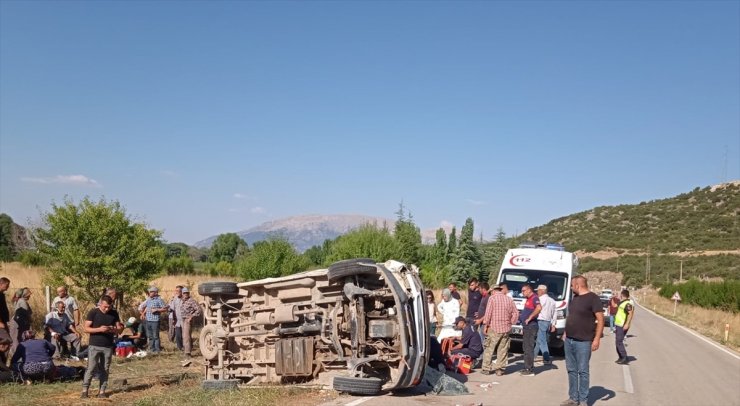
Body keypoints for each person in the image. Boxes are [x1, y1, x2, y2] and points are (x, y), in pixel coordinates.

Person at [561, 275, 605, 406]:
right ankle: (573, 398)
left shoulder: (593, 298)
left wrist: (597, 338)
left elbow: (601, 319)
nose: (571, 287)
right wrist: (565, 332)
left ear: (577, 285)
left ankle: (584, 400)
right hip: (569, 340)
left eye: (572, 285)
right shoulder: (575, 298)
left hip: (584, 342)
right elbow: (572, 316)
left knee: (583, 371)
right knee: (571, 370)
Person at [82, 295, 122, 398]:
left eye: (109, 306)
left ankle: (102, 391)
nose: (107, 309)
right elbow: (86, 328)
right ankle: (85, 390)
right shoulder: (93, 312)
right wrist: (99, 329)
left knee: (105, 369)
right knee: (91, 368)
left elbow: (120, 329)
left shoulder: (114, 313)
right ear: (100, 304)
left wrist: (113, 329)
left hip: (108, 346)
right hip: (94, 345)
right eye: (105, 306)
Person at [480, 283, 519, 376]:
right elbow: (516, 313)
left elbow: (488, 313)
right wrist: (511, 322)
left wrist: (486, 325)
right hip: (506, 328)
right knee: (503, 349)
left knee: (489, 348)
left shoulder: (492, 299)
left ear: (493, 290)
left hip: (494, 327)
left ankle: (486, 368)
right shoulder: (509, 299)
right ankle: (500, 369)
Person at [519, 284, 542, 376]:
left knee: (529, 348)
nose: (522, 292)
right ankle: (526, 367)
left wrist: (530, 317)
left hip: (531, 327)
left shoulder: (534, 298)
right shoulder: (528, 299)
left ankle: (530, 369)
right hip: (526, 327)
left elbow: (539, 308)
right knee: (525, 348)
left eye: (524, 290)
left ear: (529, 290)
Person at [138, 286, 168, 354]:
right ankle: (151, 349)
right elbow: (144, 307)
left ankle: (157, 350)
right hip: (148, 320)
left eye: (151, 292)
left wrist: (157, 309)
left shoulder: (159, 300)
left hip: (155, 320)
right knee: (150, 336)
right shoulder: (148, 299)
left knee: (155, 336)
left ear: (156, 292)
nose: (150, 293)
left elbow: (165, 309)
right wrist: (142, 314)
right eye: (150, 292)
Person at [533, 284, 557, 365]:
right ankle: (533, 356)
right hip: (548, 322)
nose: (537, 292)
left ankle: (546, 358)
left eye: (538, 290)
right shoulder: (552, 300)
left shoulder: (539, 299)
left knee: (542, 341)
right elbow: (555, 313)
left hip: (541, 321)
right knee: (539, 340)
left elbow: (537, 309)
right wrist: (553, 324)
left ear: (542, 291)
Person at [9, 287, 32, 354]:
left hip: (17, 322)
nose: (29, 296)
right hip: (19, 323)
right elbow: (26, 313)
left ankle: (16, 355)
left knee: (16, 339)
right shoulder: (22, 301)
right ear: (25, 295)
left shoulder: (18, 300)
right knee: (17, 339)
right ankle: (17, 357)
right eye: (28, 294)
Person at [179, 287, 202, 357]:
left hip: (187, 320)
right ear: (182, 294)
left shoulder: (191, 301)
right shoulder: (182, 300)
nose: (185, 294)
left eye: (187, 293)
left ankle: (187, 352)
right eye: (184, 293)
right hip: (182, 319)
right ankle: (186, 349)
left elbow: (198, 310)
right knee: (184, 335)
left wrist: (192, 316)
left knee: (186, 336)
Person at [614, 290, 635, 365]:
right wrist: (613, 298)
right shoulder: (623, 302)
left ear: (622, 295)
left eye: (620, 295)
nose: (619, 296)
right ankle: (621, 357)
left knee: (619, 341)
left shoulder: (627, 303)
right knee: (617, 342)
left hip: (622, 325)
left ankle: (624, 357)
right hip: (619, 324)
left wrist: (627, 324)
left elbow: (630, 313)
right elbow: (614, 306)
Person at [168, 286, 184, 351]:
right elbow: (172, 308)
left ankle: (187, 347)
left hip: (184, 320)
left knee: (185, 335)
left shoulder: (185, 299)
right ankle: (179, 347)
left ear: (182, 291)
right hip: (177, 320)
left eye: (178, 291)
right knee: (178, 335)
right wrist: (167, 309)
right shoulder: (175, 299)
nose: (177, 292)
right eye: (176, 291)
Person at [0, 277, 10, 364]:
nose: (8, 287)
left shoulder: (2, 294)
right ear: (1, 284)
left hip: (3, 321)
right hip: (0, 323)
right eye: (7, 285)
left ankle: (3, 364)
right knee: (7, 340)